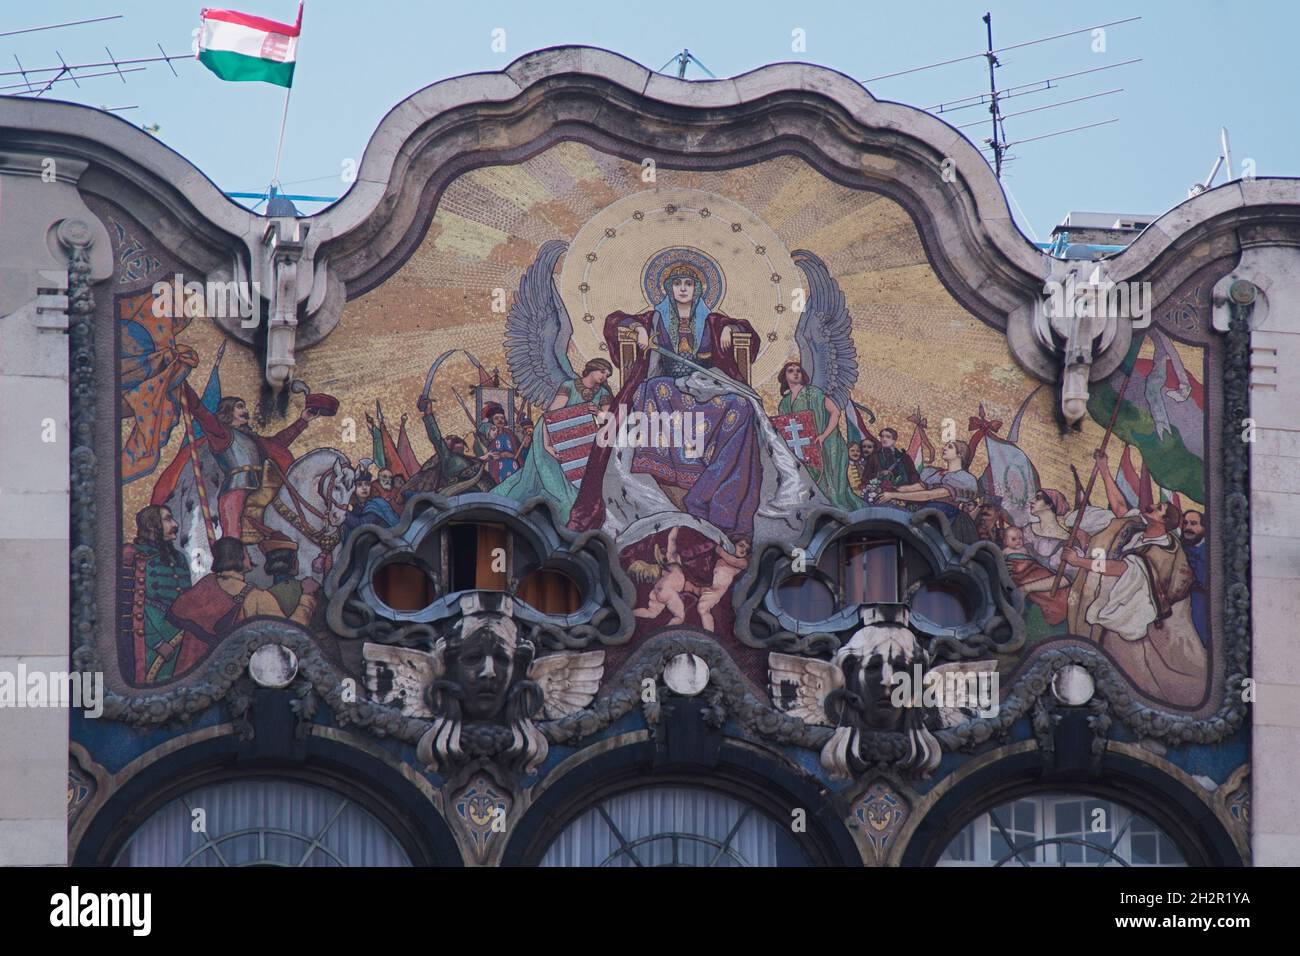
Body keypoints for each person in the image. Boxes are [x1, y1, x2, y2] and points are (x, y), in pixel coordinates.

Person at [1061, 454, 1206, 706]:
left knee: (1129, 668)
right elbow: (1118, 507)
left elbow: (1119, 568)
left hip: (1134, 619)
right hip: (1117, 607)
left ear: (1164, 522)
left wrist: (1079, 562)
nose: (1152, 507)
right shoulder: (1140, 528)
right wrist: (1104, 469)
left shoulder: (1162, 550)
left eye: (1159, 509)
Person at [177, 381, 330, 541]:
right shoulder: (222, 435)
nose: (245, 411)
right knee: (233, 535)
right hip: (236, 488)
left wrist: (303, 420)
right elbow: (201, 412)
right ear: (228, 411)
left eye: (244, 407)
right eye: (240, 406)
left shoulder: (252, 439)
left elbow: (278, 442)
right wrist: (184, 384)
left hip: (261, 488)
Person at [493, 358, 614, 523]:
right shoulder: (569, 386)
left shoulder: (603, 393)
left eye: (607, 375)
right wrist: (546, 444)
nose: (604, 376)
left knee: (570, 478)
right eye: (602, 371)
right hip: (550, 434)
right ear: (592, 368)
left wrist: (598, 411)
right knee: (543, 480)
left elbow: (610, 419)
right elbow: (550, 416)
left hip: (576, 440)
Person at [167, 538, 318, 667]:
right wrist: (306, 596)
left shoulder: (206, 584)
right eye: (246, 553)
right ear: (238, 557)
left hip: (191, 671)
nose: (249, 557)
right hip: (230, 674)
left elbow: (176, 615)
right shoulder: (257, 597)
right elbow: (290, 633)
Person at [120, 505, 193, 684]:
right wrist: (158, 643)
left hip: (181, 637)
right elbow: (134, 606)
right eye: (168, 519)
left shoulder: (179, 558)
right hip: (151, 641)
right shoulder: (134, 556)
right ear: (152, 526)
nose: (175, 524)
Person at [777, 361, 860, 512]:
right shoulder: (784, 403)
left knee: (832, 485)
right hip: (801, 448)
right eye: (791, 371)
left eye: (798, 370)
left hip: (827, 444)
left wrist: (823, 435)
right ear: (784, 376)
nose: (795, 373)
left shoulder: (814, 393)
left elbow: (835, 412)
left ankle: (833, 508)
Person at [695, 538, 750, 633]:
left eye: (747, 549)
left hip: (721, 591)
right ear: (732, 545)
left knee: (702, 607)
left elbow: (733, 561)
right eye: (741, 545)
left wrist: (720, 550)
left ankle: (708, 635)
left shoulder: (743, 562)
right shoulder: (721, 560)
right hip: (711, 587)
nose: (743, 550)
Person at [1179, 509, 1209, 647]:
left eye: (1193, 523)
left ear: (1203, 527)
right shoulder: (1179, 548)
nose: (1188, 528)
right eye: (1185, 523)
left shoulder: (1211, 551)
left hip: (1201, 602)